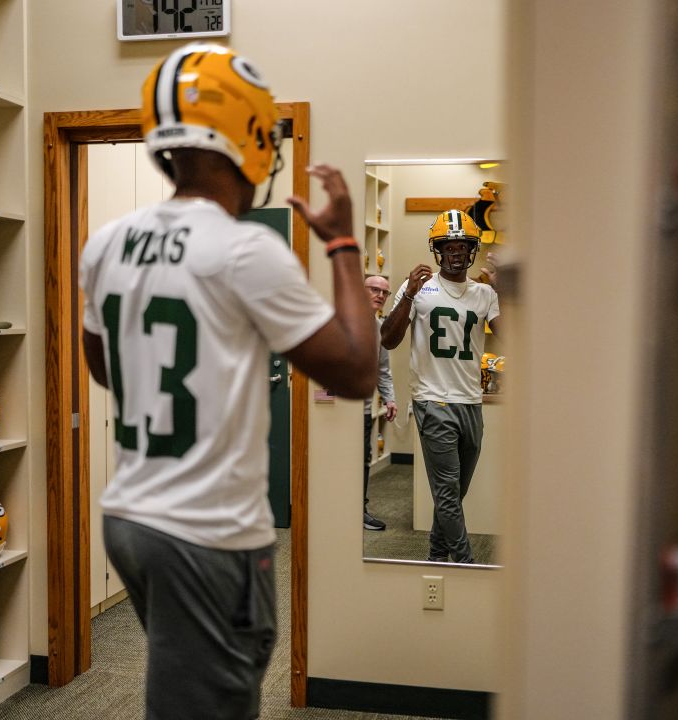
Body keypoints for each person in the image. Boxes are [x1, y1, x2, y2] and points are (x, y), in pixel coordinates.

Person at [79, 43, 374, 720]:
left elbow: (106, 369)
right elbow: (358, 371)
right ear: (244, 135)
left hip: (129, 518)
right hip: (205, 533)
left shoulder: (106, 242)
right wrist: (343, 246)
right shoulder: (245, 250)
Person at [380, 209, 500, 563]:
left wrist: (507, 292)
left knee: (453, 493)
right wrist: (407, 296)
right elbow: (388, 340)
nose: (456, 252)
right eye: (449, 245)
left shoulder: (484, 293)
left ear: (472, 250)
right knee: (447, 494)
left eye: (462, 245)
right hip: (433, 401)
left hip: (471, 402)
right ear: (438, 250)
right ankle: (466, 564)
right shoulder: (418, 287)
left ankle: (436, 555)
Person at [363, 274, 399, 531]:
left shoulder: (380, 328)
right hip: (335, 411)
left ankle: (358, 510)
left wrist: (390, 399)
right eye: (374, 289)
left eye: (384, 292)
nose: (380, 295)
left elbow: (382, 370)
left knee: (361, 460)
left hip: (363, 408)